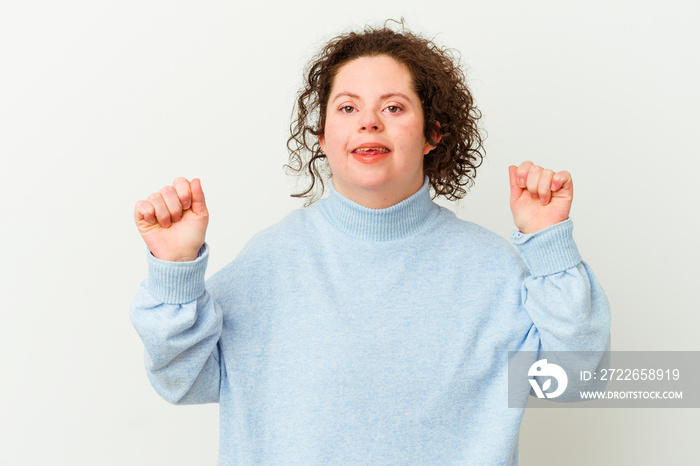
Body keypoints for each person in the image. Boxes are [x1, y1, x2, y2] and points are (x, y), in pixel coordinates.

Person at [130, 24, 610, 465]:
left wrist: (549, 246)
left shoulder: (491, 269)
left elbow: (576, 378)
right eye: (347, 107)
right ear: (322, 136)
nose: (369, 122)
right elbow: (182, 381)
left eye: (394, 107)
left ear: (432, 134)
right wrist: (176, 272)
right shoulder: (270, 261)